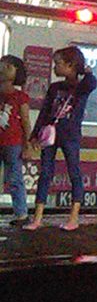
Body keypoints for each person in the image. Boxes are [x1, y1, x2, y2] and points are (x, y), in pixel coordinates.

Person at [25, 47, 97, 231]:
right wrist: (35, 134)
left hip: (70, 135)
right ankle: (37, 217)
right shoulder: (54, 87)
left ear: (70, 65)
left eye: (58, 63)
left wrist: (86, 71)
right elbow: (44, 112)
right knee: (45, 173)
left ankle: (73, 217)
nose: (54, 67)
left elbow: (92, 83)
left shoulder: (81, 87)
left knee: (74, 172)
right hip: (51, 134)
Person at [0, 55, 28, 225]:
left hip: (13, 142)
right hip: (11, 142)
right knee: (14, 176)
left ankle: (21, 213)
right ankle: (21, 213)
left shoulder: (20, 96)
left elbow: (25, 120)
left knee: (15, 177)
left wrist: (27, 142)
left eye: (9, 67)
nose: (3, 68)